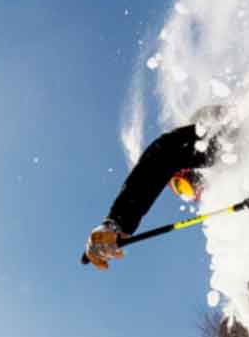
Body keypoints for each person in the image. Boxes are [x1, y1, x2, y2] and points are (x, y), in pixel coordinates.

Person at [82, 115, 221, 270]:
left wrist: (116, 223)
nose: (195, 190)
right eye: (184, 191)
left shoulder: (208, 143)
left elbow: (157, 161)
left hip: (216, 129)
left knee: (212, 152)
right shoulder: (228, 182)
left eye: (181, 185)